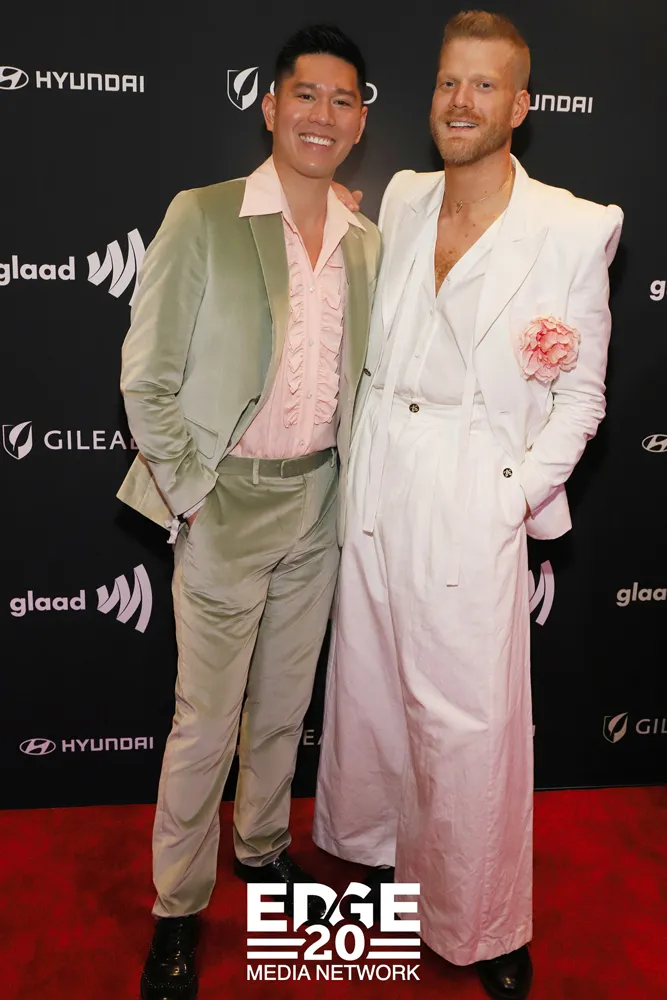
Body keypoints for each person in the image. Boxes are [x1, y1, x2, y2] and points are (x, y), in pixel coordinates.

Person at [314, 11, 622, 1000]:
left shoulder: (573, 226)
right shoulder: (403, 197)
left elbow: (581, 397)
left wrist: (511, 496)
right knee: (368, 689)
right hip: (381, 469)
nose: (460, 101)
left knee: (469, 720)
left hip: (471, 482)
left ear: (519, 106)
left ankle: (482, 919)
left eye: (484, 85)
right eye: (450, 81)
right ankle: (372, 856)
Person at [118, 24, 380, 1000]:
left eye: (342, 100)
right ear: (270, 107)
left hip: (319, 501)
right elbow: (147, 378)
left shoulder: (368, 244)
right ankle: (177, 908)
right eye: (304, 95)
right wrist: (193, 494)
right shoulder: (203, 215)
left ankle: (261, 849)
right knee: (204, 722)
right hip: (224, 501)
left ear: (359, 123)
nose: (321, 115)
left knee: (282, 708)